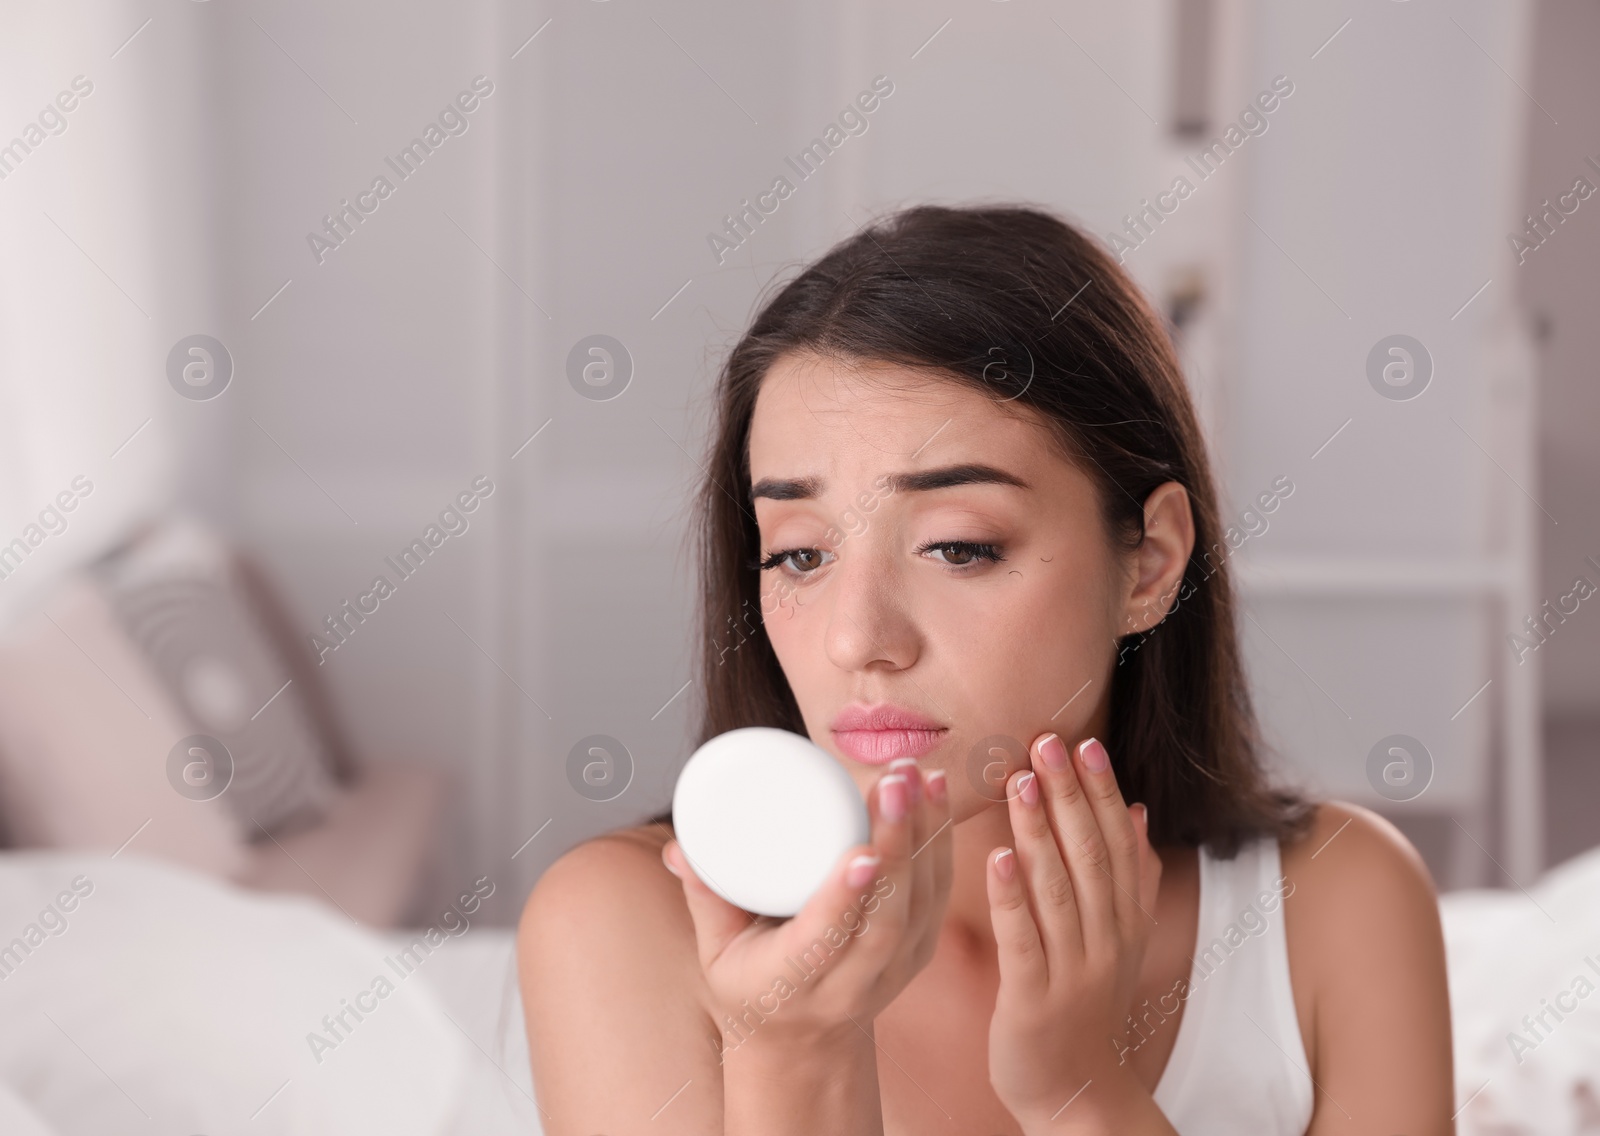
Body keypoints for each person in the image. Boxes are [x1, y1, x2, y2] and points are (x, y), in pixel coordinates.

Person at [517, 203, 1455, 1135]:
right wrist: (791, 1054)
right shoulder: (625, 924)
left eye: (958, 547)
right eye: (800, 554)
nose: (859, 639)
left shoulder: (1339, 904)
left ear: (1151, 563)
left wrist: (1083, 1096)